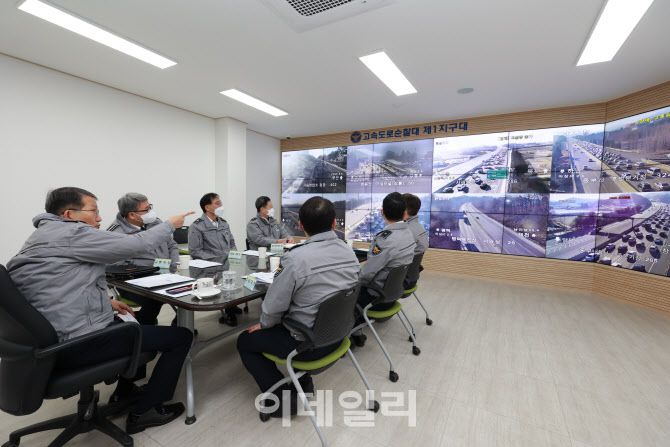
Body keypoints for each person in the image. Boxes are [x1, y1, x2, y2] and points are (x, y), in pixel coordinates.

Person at [6, 187, 194, 434]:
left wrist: (108, 303)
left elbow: (58, 286)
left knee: (135, 322)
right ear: (69, 214)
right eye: (93, 211)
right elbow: (136, 244)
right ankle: (146, 411)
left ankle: (124, 393)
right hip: (77, 343)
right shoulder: (72, 233)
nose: (99, 217)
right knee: (181, 337)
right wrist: (170, 224)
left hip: (51, 340)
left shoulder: (42, 236)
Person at [237, 196, 360, 416]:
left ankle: (281, 401)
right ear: (334, 223)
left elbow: (273, 306)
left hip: (307, 345)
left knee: (245, 340)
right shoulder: (349, 252)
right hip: (339, 335)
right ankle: (304, 383)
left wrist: (264, 325)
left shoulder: (296, 259)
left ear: (301, 225)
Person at [352, 192, 415, 346]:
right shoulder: (409, 234)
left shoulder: (385, 239)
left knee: (343, 294)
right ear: (404, 213)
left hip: (376, 297)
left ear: (382, 212)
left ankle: (354, 334)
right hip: (394, 293)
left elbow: (367, 274)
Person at [107, 192, 179, 325]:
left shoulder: (156, 222)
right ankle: (144, 326)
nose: (150, 212)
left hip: (166, 275)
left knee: (186, 291)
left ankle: (180, 324)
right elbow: (116, 267)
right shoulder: (115, 233)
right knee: (155, 298)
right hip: (134, 283)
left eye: (150, 207)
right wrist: (148, 272)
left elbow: (172, 245)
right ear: (132, 215)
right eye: (146, 209)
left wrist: (174, 265)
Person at [188, 193, 240, 325]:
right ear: (207, 207)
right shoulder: (197, 226)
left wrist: (234, 254)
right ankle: (228, 311)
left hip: (227, 264)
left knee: (235, 281)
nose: (221, 206)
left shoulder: (224, 223)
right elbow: (195, 251)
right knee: (223, 283)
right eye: (217, 203)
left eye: (220, 202)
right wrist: (217, 258)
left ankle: (231, 305)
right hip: (209, 268)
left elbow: (232, 242)